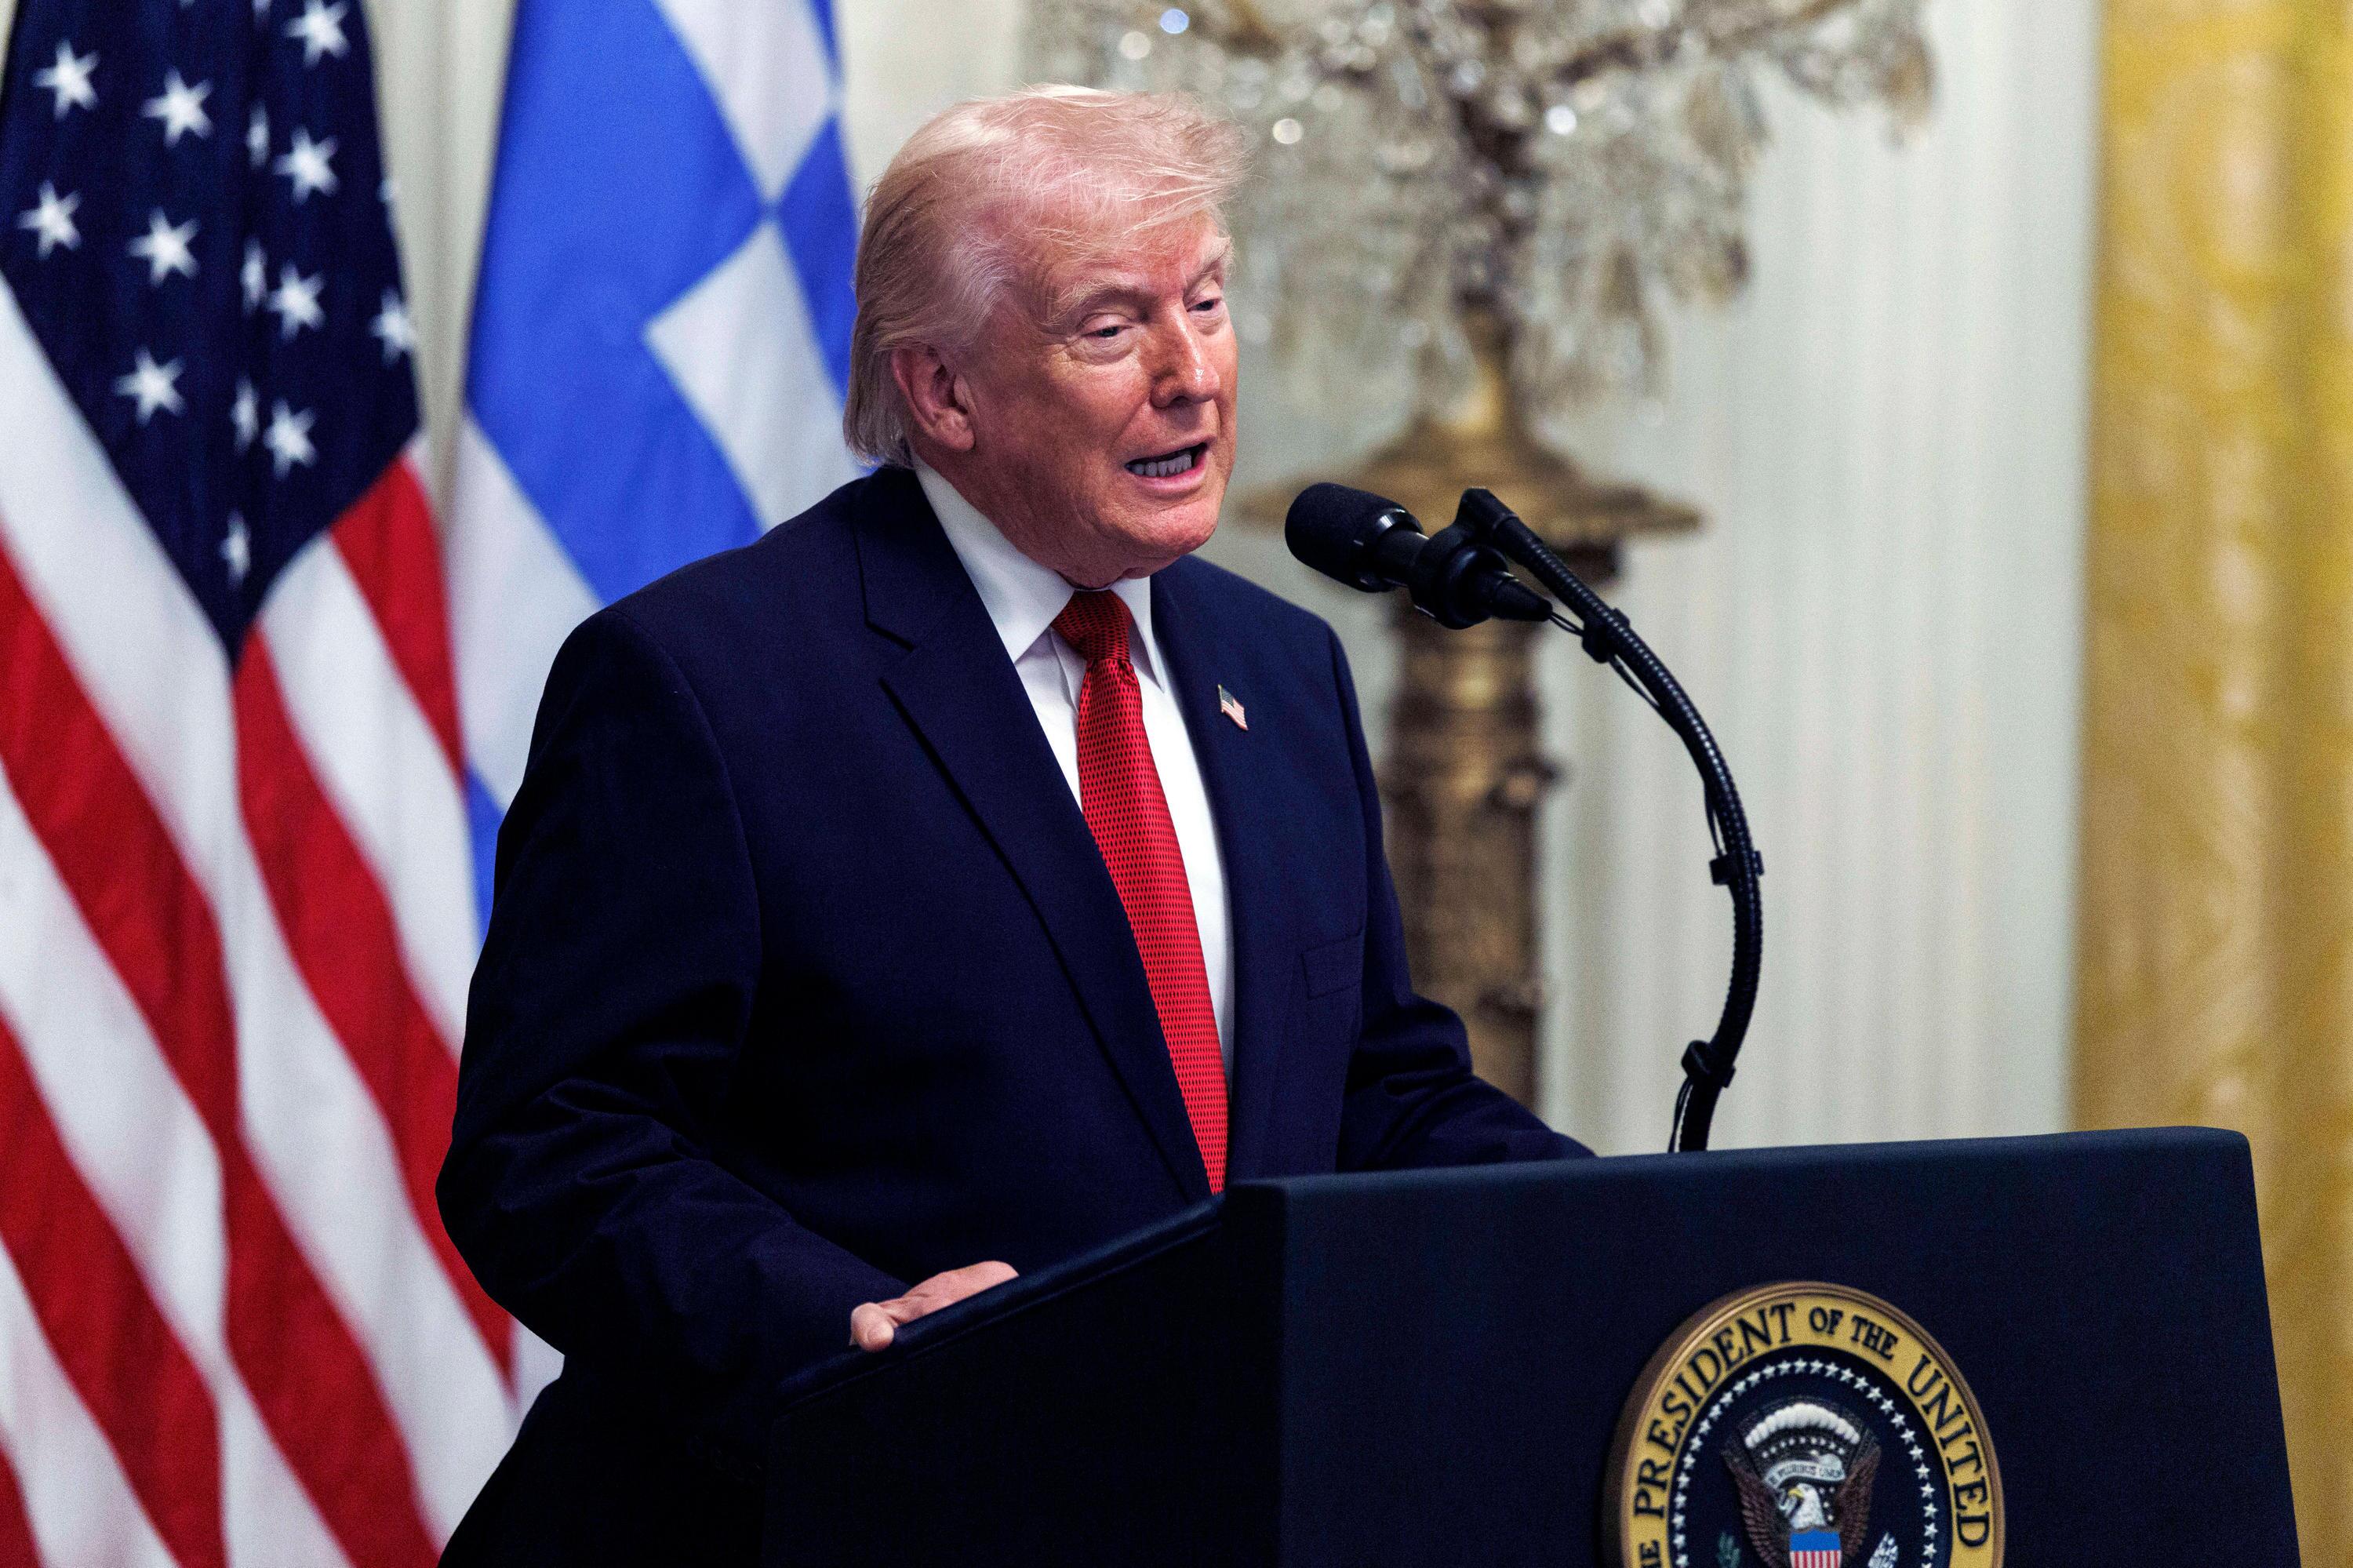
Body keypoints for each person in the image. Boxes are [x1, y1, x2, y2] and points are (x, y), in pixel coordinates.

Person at [437, 85, 1586, 1564]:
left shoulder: (1282, 668)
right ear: (943, 391)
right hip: (807, 1524)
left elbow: (1372, 1090)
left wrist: (1625, 1239)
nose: (1194, 374)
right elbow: (553, 1147)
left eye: (1208, 301)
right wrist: (850, 1329)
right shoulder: (703, 683)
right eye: (1111, 328)